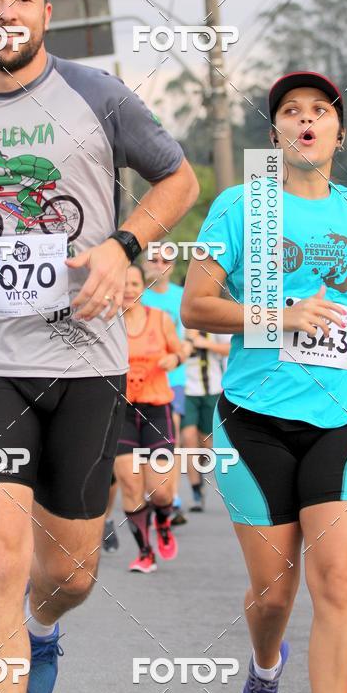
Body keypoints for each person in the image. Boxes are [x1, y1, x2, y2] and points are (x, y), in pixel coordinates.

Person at [0, 0, 199, 693]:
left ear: (44, 13)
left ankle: (43, 628)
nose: (5, 11)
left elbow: (179, 177)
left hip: (87, 361)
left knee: (70, 570)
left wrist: (123, 244)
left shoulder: (98, 95)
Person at [182, 71, 347, 693]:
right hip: (253, 419)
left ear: (338, 132)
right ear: (275, 134)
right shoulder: (241, 205)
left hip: (345, 418)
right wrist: (280, 315)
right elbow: (195, 307)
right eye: (291, 111)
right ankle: (266, 666)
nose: (306, 119)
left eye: (319, 110)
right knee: (274, 595)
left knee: (339, 583)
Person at [114, 265, 190, 573]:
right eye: (124, 284)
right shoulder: (105, 325)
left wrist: (176, 357)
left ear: (142, 287)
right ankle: (145, 552)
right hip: (120, 411)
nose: (129, 289)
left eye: (134, 283)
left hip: (156, 409)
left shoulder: (159, 319)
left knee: (160, 490)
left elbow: (183, 346)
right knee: (130, 486)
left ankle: (162, 519)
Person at [142, 246, 190, 525]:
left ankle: (171, 498)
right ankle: (147, 493)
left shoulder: (180, 297)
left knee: (170, 437)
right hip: (137, 380)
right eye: (153, 259)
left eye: (164, 260)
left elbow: (189, 338)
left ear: (172, 266)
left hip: (172, 379)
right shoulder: (135, 295)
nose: (158, 264)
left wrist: (179, 353)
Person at [182, 330, 230, 511]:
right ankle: (195, 491)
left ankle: (199, 474)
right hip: (186, 391)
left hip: (212, 390)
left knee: (207, 443)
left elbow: (231, 347)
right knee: (188, 437)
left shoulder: (210, 324)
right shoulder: (177, 324)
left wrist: (206, 343)